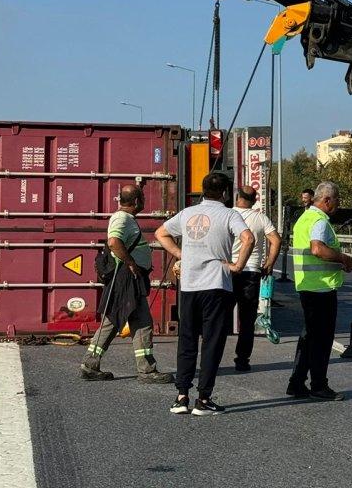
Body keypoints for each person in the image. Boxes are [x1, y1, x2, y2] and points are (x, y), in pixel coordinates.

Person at [156, 172, 255, 416]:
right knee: (212, 341)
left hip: (190, 285)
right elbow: (248, 238)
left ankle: (181, 396)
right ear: (225, 193)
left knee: (187, 340)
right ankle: (204, 398)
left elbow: (161, 233)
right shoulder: (229, 214)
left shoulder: (188, 213)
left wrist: (180, 254)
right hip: (216, 284)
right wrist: (238, 266)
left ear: (203, 190)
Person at [81, 184, 174, 384]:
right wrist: (131, 263)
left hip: (128, 278)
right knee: (140, 323)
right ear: (137, 201)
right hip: (127, 278)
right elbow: (114, 242)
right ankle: (147, 370)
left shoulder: (125, 218)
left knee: (116, 320)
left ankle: (90, 364)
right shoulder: (121, 218)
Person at [286, 181, 352, 401]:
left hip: (307, 285)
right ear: (327, 200)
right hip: (321, 288)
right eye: (337, 200)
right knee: (321, 340)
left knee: (308, 338)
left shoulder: (303, 218)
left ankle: (297, 383)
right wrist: (344, 258)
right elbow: (317, 249)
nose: (338, 204)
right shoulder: (319, 221)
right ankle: (318, 385)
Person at [230, 184, 281, 371]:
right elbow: (276, 240)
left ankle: (213, 357)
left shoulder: (228, 215)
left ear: (237, 197)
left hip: (228, 270)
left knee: (219, 316)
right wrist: (269, 263)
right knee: (247, 319)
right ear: (254, 200)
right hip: (251, 272)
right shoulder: (261, 218)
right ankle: (242, 360)